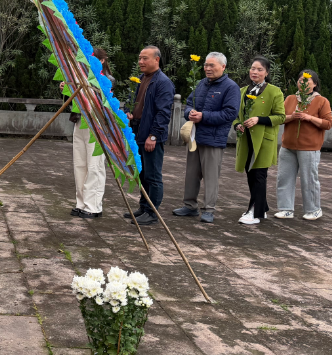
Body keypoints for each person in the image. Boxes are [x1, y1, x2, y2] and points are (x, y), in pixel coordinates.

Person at [173, 52, 240, 223]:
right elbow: (189, 103)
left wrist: (204, 116)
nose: (207, 68)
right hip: (195, 136)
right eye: (206, 65)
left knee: (210, 176)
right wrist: (190, 113)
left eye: (212, 65)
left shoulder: (230, 87)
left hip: (214, 139)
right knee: (191, 174)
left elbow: (230, 113)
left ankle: (209, 209)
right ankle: (189, 205)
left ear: (223, 67)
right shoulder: (201, 83)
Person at [124, 46, 174, 226]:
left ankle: (152, 212)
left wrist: (153, 136)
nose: (141, 62)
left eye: (145, 58)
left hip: (150, 133)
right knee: (142, 172)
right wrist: (128, 112)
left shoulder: (163, 82)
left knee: (153, 174)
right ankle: (144, 206)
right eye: (140, 58)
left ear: (156, 60)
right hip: (137, 130)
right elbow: (131, 102)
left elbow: (163, 112)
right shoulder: (141, 79)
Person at [275, 69, 332, 221]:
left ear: (314, 84)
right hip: (288, 146)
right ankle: (286, 209)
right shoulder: (290, 99)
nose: (303, 83)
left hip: (309, 147)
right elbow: (280, 118)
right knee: (284, 178)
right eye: (301, 80)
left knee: (309, 179)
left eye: (307, 81)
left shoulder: (321, 101)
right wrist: (291, 117)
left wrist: (309, 118)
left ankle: (314, 209)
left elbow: (328, 123)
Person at [234, 56, 285, 225]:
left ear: (267, 73)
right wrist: (237, 125)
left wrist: (259, 119)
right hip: (246, 140)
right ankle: (261, 206)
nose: (255, 72)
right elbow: (236, 115)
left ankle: (255, 212)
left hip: (263, 140)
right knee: (250, 173)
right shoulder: (243, 91)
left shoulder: (274, 91)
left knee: (259, 175)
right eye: (253, 68)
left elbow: (281, 116)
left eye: (259, 69)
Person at [67, 48, 113, 219]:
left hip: (97, 125)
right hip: (80, 122)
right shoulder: (80, 77)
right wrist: (68, 88)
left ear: (101, 61)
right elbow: (74, 101)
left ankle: (93, 206)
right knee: (80, 164)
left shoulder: (107, 79)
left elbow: (100, 101)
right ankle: (81, 202)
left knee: (95, 166)